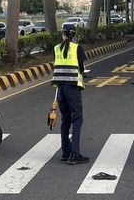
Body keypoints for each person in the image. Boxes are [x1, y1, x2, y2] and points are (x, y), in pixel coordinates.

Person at [52, 28, 89, 165]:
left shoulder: (56, 48)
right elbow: (81, 68)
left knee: (65, 120)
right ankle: (75, 154)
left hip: (60, 89)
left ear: (63, 35)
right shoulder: (77, 48)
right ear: (73, 36)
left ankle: (65, 152)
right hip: (72, 88)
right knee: (77, 119)